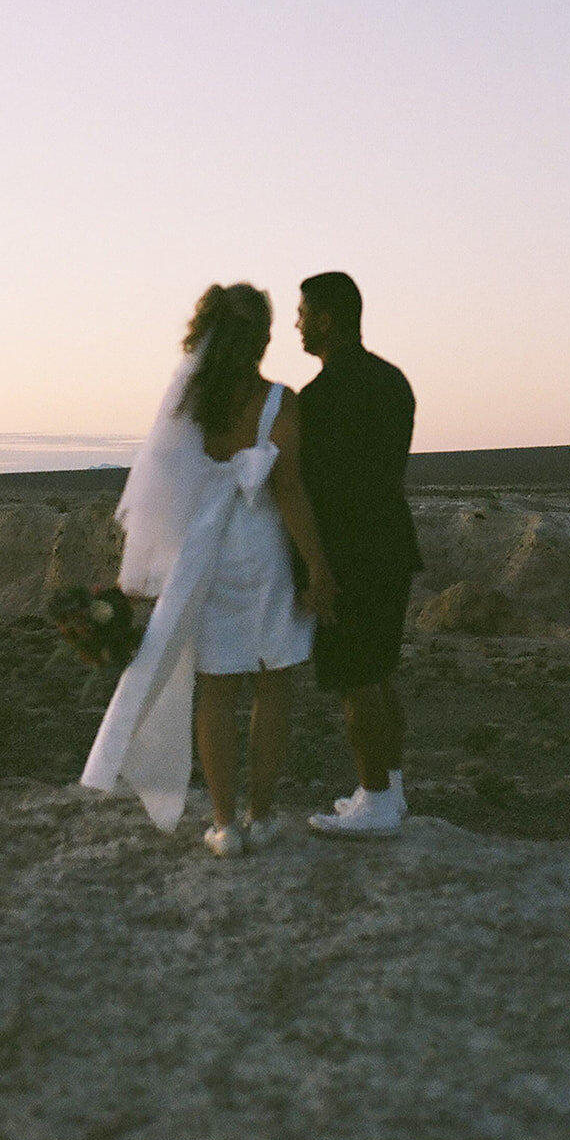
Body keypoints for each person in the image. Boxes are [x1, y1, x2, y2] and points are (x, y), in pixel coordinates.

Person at [80, 283, 335, 857]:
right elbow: (289, 489)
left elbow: (164, 485)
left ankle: (224, 824)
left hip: (208, 554)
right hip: (265, 548)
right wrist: (317, 564)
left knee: (215, 691)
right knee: (274, 683)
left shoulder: (188, 403)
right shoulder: (280, 401)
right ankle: (261, 813)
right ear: (257, 338)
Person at [297, 272, 422, 838]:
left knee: (357, 680)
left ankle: (375, 800)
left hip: (349, 555)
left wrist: (318, 568)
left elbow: (318, 492)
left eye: (302, 313)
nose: (295, 324)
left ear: (326, 319)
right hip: (392, 545)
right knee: (380, 672)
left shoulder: (320, 400)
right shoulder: (393, 382)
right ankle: (388, 792)